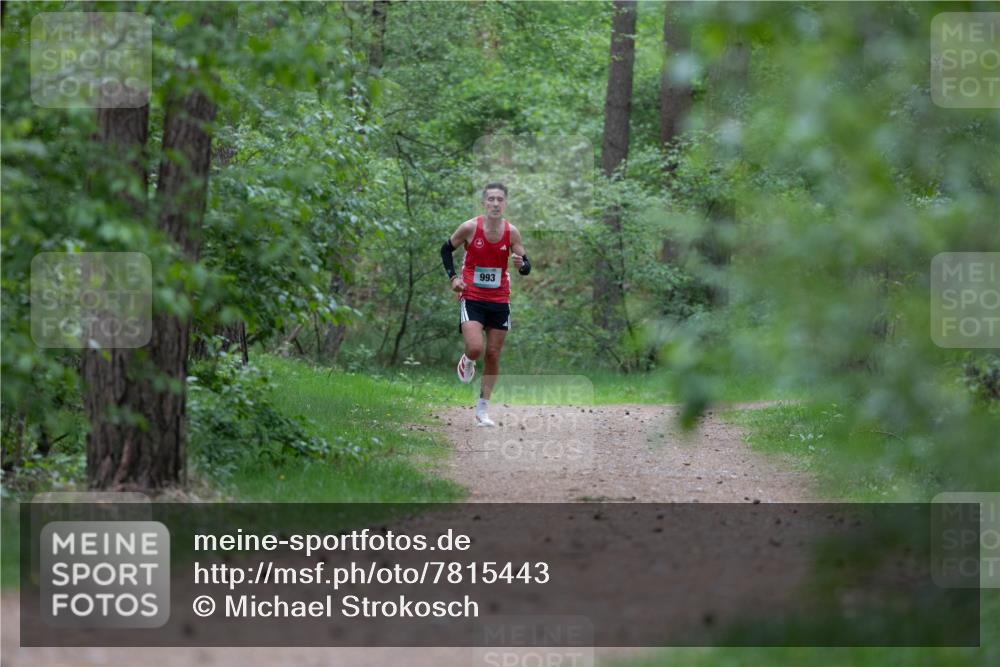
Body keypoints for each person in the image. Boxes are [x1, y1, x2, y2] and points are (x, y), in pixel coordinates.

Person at [440, 182, 531, 426]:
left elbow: (526, 265)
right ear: (483, 203)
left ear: (505, 203)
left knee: (493, 353)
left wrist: (521, 264)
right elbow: (445, 249)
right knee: (475, 348)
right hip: (472, 297)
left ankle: (482, 409)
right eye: (490, 199)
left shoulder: (512, 232)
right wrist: (453, 277)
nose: (495, 203)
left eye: (500, 199)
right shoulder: (470, 227)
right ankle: (467, 360)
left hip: (500, 299)